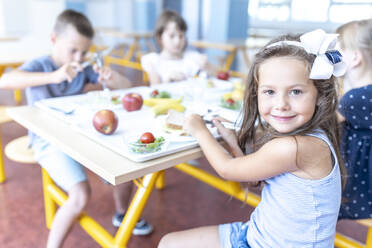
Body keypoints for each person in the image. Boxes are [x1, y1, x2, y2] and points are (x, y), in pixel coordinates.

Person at [158, 29, 347, 248]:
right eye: (269, 92)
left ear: (319, 96)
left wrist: (199, 130)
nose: (281, 104)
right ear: (257, 93)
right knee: (169, 243)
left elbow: (227, 169)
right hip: (257, 233)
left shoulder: (294, 147)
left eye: (295, 92)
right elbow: (256, 178)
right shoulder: (310, 135)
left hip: (264, 243)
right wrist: (231, 141)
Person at [0, 9, 152, 248]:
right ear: (53, 40)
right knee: (80, 196)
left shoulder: (83, 67)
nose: (79, 57)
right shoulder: (42, 64)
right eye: (73, 50)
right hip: (47, 140)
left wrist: (111, 78)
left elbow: (127, 86)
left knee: (127, 166)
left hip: (82, 134)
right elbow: (5, 81)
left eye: (84, 52)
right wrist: (53, 77)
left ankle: (122, 214)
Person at [336, 19, 372, 220]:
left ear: (355, 58)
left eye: (339, 51)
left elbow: (322, 123)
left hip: (361, 190)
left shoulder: (355, 99)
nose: (334, 56)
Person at [141, 10, 216, 85]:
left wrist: (207, 66)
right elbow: (155, 89)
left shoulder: (192, 57)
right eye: (171, 36)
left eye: (181, 36)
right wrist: (167, 81)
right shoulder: (153, 61)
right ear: (160, 37)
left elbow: (218, 75)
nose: (177, 41)